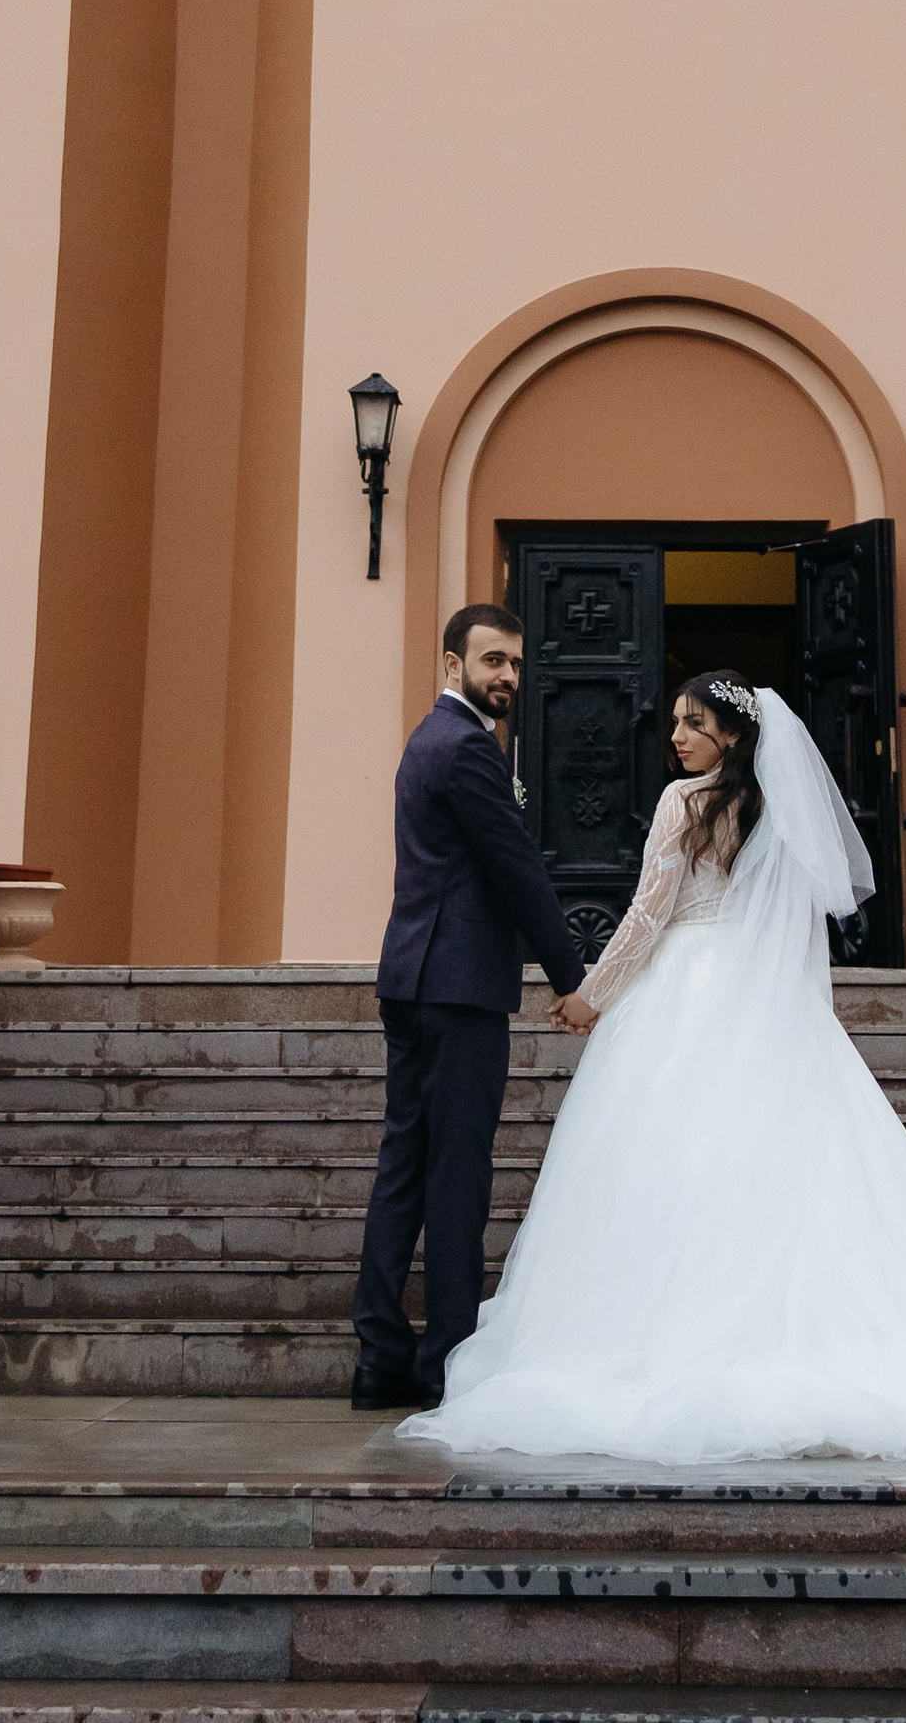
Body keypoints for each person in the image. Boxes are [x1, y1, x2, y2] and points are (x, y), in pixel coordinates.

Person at [403, 674, 906, 1462]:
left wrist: (592, 994)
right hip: (762, 1003)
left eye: (697, 724)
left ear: (732, 733)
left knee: (672, 1166)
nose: (679, 737)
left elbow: (650, 914)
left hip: (684, 995)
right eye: (678, 723)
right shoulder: (776, 813)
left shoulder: (681, 804)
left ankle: (667, 1335)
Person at [351, 602, 589, 1411]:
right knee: (456, 1177)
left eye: (516, 664)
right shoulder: (465, 749)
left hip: (414, 978)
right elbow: (515, 866)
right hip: (455, 988)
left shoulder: (429, 740)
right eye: (493, 662)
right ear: (452, 665)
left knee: (405, 1169)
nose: (508, 678)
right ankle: (445, 1359)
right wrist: (570, 976)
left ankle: (379, 1354)